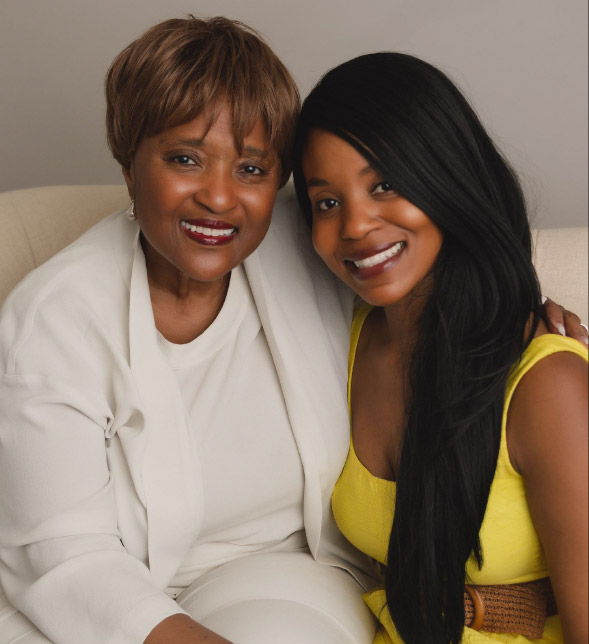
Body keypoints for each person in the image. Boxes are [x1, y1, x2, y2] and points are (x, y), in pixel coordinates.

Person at [0, 17, 378, 644]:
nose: (220, 198)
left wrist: (520, 308)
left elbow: (421, 257)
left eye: (252, 169)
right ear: (128, 164)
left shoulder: (313, 239)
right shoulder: (53, 319)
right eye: (185, 159)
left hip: (279, 576)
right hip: (92, 592)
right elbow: (62, 553)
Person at [292, 53, 588, 644]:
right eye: (327, 201)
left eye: (384, 184)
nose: (355, 225)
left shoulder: (546, 385)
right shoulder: (339, 339)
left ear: (448, 177)